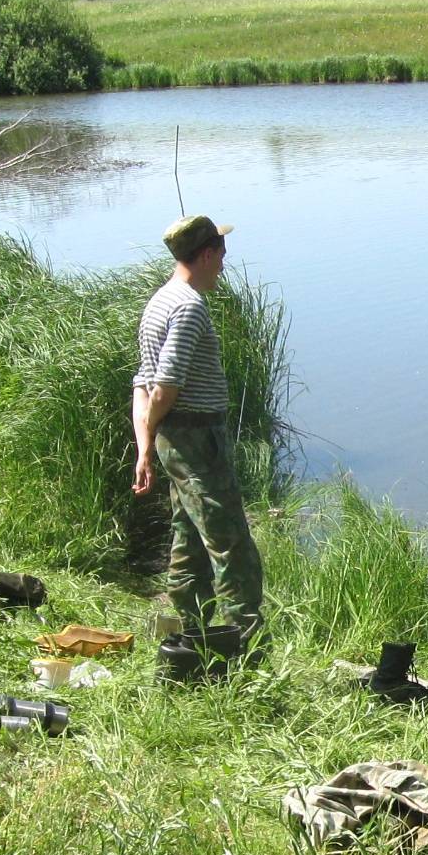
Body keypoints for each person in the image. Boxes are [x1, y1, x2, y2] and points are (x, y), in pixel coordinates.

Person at [132, 214, 263, 636]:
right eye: (221, 256)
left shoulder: (158, 302)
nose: (223, 266)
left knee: (188, 538)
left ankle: (184, 632)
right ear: (206, 255)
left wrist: (145, 446)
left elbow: (142, 382)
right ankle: (246, 641)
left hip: (177, 440)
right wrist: (151, 434)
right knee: (232, 546)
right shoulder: (187, 306)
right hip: (196, 439)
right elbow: (165, 384)